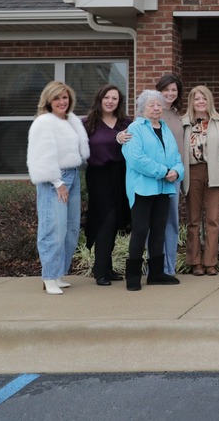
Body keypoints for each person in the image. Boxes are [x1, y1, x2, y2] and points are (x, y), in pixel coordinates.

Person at [27, 81, 90, 295]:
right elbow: (42, 154)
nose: (62, 102)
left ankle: (59, 273)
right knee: (53, 228)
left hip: (73, 174)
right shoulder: (44, 122)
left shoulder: (71, 120)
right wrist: (57, 182)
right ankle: (49, 277)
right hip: (55, 179)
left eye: (65, 97)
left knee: (71, 228)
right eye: (57, 98)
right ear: (48, 101)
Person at [121, 89, 185, 291]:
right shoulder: (135, 128)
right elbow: (136, 159)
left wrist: (176, 171)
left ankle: (156, 273)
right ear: (142, 109)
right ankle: (132, 276)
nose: (157, 108)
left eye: (159, 104)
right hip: (143, 188)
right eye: (151, 105)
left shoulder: (165, 128)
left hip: (164, 189)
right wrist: (163, 171)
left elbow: (176, 157)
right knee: (140, 231)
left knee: (159, 230)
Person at [82, 84, 131, 286]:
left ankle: (106, 268)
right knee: (105, 220)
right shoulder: (88, 124)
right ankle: (100, 270)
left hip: (121, 174)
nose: (110, 101)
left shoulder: (125, 123)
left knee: (117, 219)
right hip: (98, 175)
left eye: (115, 98)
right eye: (107, 97)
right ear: (100, 99)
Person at [181, 85, 219, 277]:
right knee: (193, 220)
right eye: (196, 99)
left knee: (212, 220)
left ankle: (210, 261)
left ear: (208, 101)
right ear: (191, 102)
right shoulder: (184, 123)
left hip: (215, 175)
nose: (200, 102)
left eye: (203, 98)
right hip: (193, 172)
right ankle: (195, 262)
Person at [155, 73, 184, 276]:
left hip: (175, 177)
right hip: (155, 177)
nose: (170, 93)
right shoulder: (152, 114)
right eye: (166, 89)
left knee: (172, 222)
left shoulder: (177, 115)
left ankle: (169, 267)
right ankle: (155, 267)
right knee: (154, 223)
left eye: (174, 90)